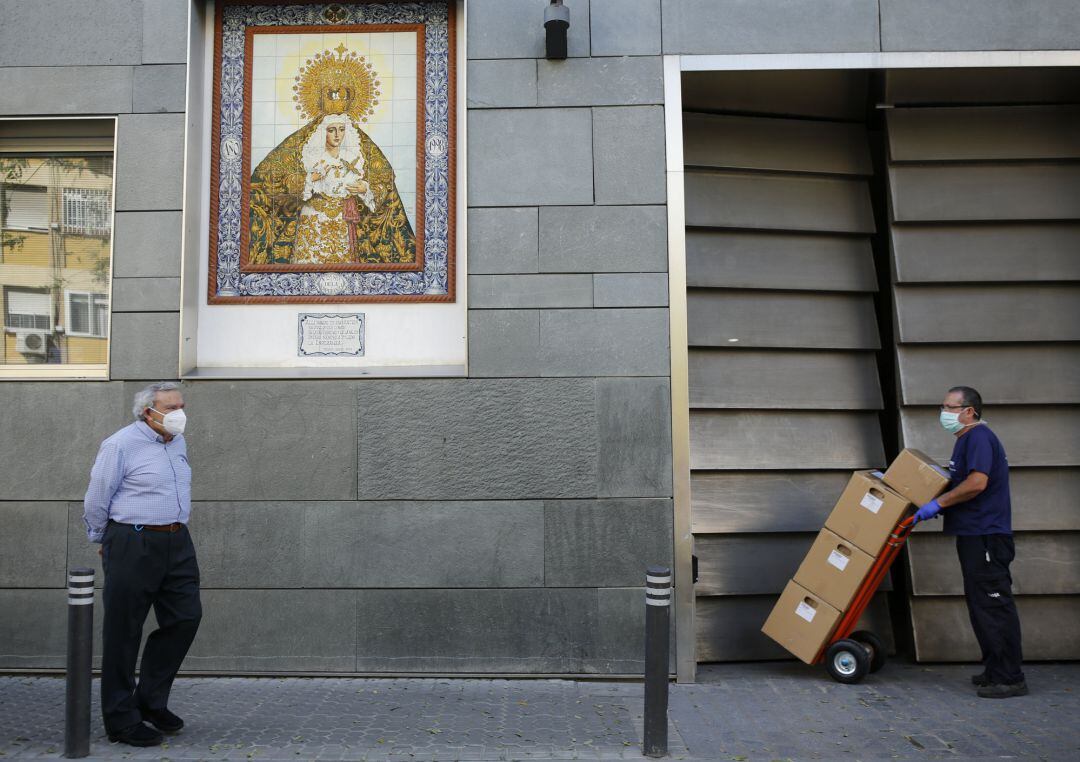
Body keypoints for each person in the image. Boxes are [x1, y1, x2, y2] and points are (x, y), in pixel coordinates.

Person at [84, 381, 201, 746]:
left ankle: (149, 701)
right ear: (148, 412)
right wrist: (103, 538)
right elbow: (97, 495)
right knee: (124, 631)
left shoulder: (176, 442)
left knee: (186, 617)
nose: (179, 414)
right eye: (171, 407)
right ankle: (121, 720)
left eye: (181, 406)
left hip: (177, 540)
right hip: (133, 540)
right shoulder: (120, 444)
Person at [912, 386, 1025, 698]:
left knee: (993, 605)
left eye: (949, 407)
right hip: (975, 535)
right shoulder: (966, 439)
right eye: (943, 406)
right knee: (980, 605)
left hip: (986, 535)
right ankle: (994, 670)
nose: (943, 413)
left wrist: (939, 503)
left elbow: (977, 483)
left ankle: (1009, 678)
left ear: (969, 411)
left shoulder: (978, 437)